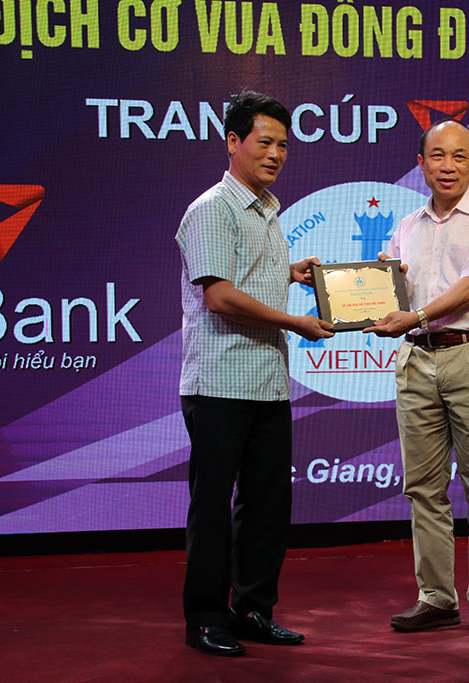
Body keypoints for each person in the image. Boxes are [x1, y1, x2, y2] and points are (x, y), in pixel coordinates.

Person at [175, 90, 334, 656]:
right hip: (219, 383)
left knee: (267, 506)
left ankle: (252, 610)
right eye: (264, 142)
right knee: (213, 508)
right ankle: (205, 618)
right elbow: (219, 296)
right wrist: (295, 321)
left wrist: (289, 272)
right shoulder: (212, 209)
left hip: (268, 381)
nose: (275, 154)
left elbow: (245, 276)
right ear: (233, 141)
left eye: (283, 145)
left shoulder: (267, 209)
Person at [365, 119, 469, 637]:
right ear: (421, 163)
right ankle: (435, 597)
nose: (447, 166)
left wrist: (414, 314)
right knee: (423, 489)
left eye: (458, 156)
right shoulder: (407, 226)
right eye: (436, 155)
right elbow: (395, 293)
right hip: (416, 359)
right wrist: (373, 289)